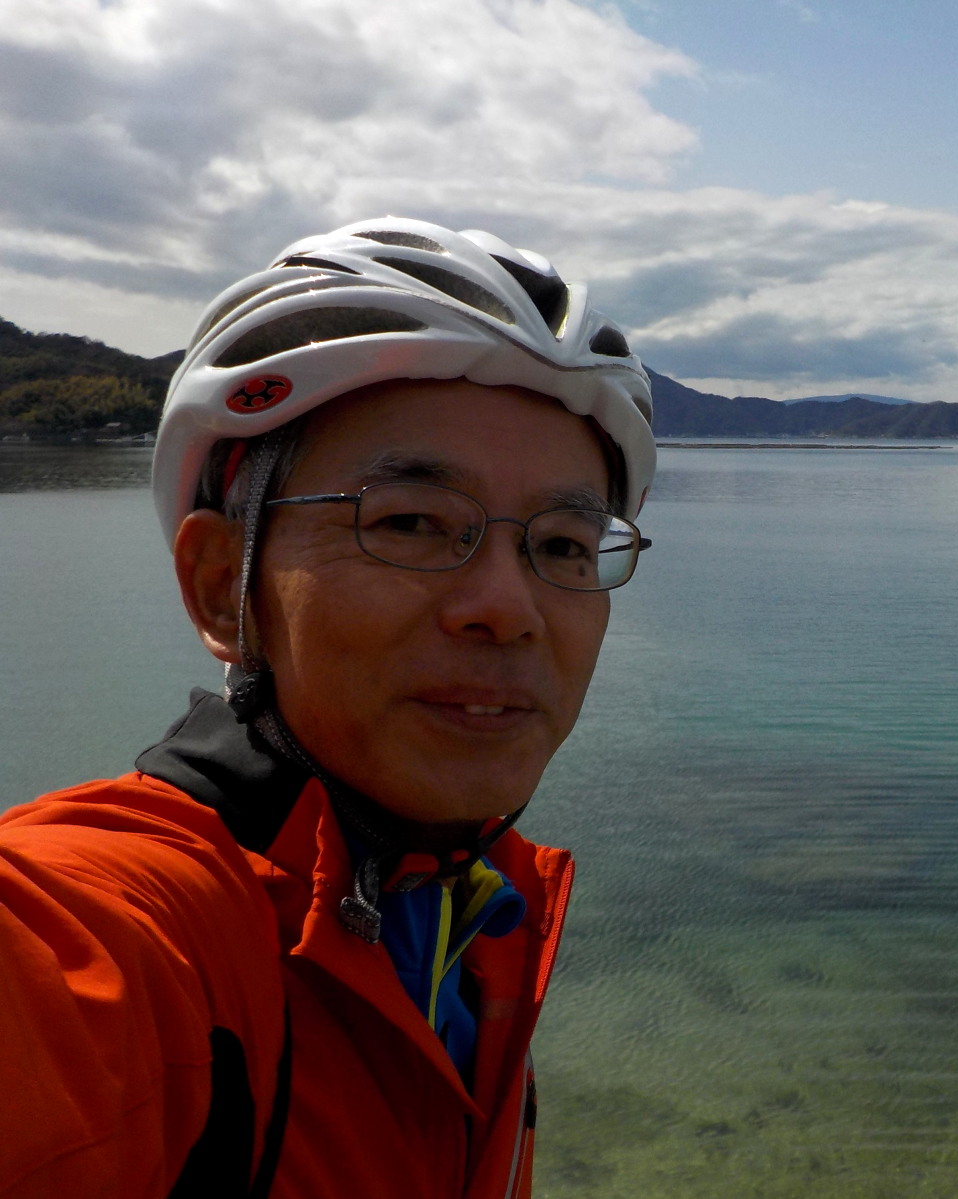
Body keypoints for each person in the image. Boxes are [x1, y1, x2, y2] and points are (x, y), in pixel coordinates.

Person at [0, 217, 655, 1197]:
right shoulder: (127, 933)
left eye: (563, 544)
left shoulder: (478, 923)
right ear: (222, 585)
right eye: (411, 521)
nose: (509, 608)